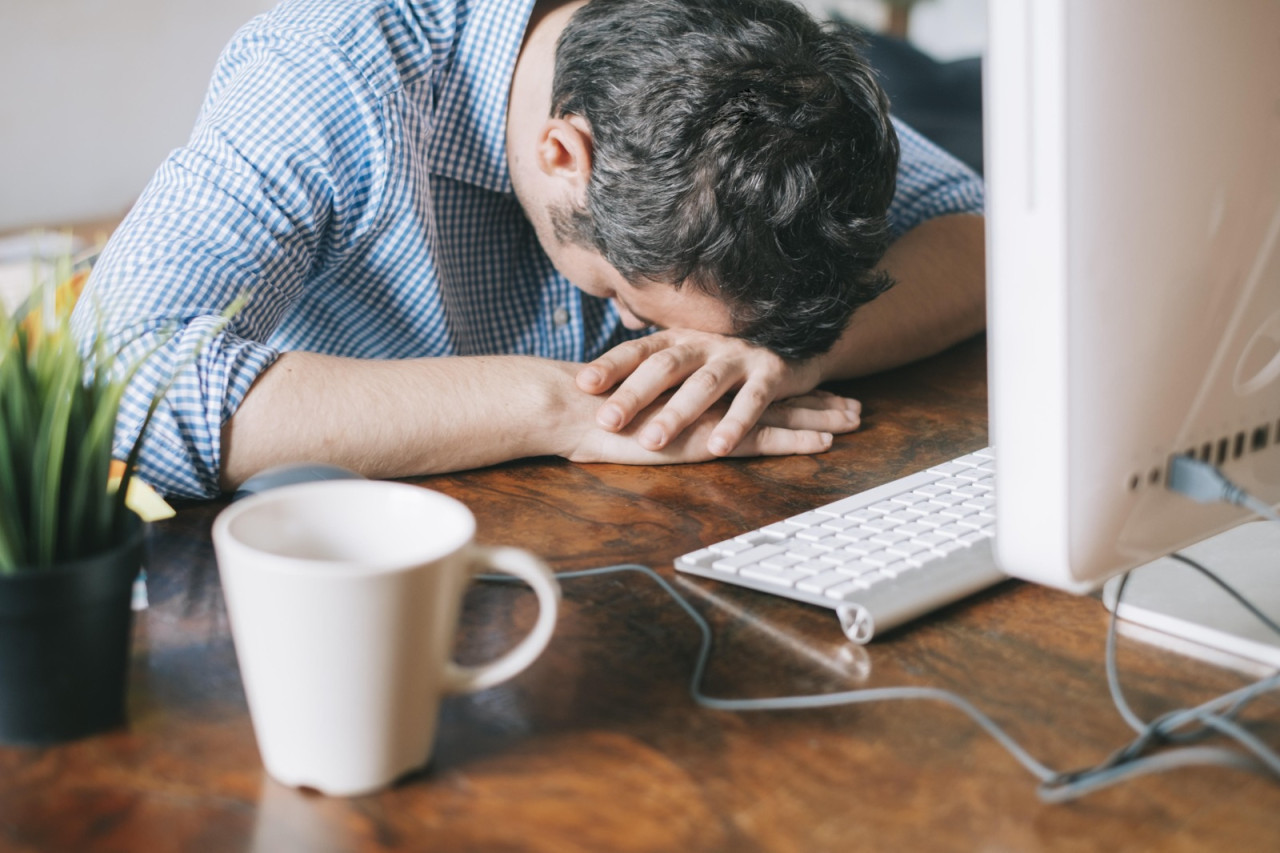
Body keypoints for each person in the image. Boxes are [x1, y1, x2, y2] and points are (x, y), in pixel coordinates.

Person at [76, 0, 985, 500]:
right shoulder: (328, 74)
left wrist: (779, 355)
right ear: (564, 156)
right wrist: (564, 410)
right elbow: (117, 381)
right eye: (644, 305)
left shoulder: (734, 56)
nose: (660, 346)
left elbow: (988, 236)